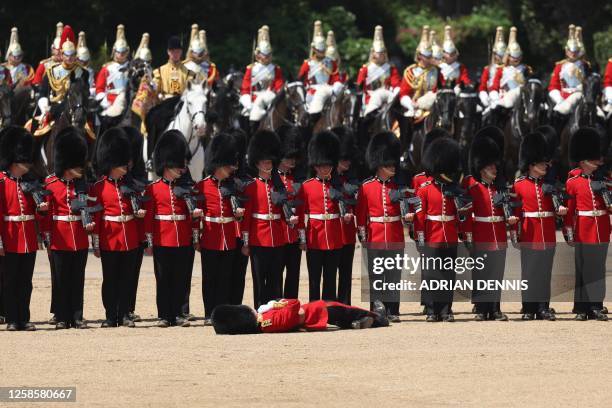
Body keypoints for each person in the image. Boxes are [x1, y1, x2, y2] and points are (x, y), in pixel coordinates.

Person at [143, 130, 201, 327]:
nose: (182, 170)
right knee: (164, 279)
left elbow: (192, 218)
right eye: (178, 166)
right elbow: (149, 218)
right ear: (167, 166)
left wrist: (194, 237)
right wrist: (149, 242)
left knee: (181, 278)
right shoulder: (153, 188)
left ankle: (178, 313)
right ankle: (164, 315)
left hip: (182, 237)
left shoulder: (187, 188)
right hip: (162, 238)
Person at [91, 128, 144, 328]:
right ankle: (110, 315)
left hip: (129, 237)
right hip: (109, 238)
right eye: (121, 164)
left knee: (127, 279)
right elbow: (96, 217)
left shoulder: (131, 185)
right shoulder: (98, 187)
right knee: (110, 279)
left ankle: (124, 314)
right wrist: (96, 244)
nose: (126, 167)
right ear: (111, 164)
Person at [42, 127, 92, 330]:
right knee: (61, 278)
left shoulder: (82, 185)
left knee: (77, 277)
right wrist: (47, 237)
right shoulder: (51, 183)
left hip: (79, 236)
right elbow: (46, 215)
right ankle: (62, 316)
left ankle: (77, 315)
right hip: (60, 236)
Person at [356, 132, 408, 323]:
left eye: (393, 164)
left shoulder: (399, 186)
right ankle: (376, 309)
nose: (393, 167)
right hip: (375, 235)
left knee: (394, 276)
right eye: (389, 165)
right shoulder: (366, 187)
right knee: (376, 275)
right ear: (379, 166)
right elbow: (361, 214)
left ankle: (393, 309)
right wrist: (363, 236)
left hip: (394, 234)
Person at [514, 131, 565, 321]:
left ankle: (543, 307)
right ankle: (528, 307)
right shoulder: (518, 186)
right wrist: (515, 234)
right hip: (529, 233)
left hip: (547, 233)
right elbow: (515, 213)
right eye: (542, 162)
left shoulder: (550, 186)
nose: (546, 165)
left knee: (545, 272)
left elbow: (557, 206)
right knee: (529, 272)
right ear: (531, 165)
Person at [241, 130, 294, 308]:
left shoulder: (279, 186)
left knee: (275, 277)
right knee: (259, 279)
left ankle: (275, 309)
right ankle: (260, 308)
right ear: (257, 163)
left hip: (277, 237)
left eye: (270, 161)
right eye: (264, 161)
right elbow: (247, 217)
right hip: (258, 237)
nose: (268, 164)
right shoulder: (251, 186)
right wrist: (246, 242)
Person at [462, 128, 510, 321]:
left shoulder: (499, 188)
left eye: (495, 166)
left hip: (497, 233)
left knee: (496, 273)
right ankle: (482, 308)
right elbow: (464, 213)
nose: (495, 169)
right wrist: (468, 235)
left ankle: (495, 308)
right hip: (480, 233)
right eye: (491, 167)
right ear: (481, 167)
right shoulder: (472, 185)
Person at [0, 127, 44, 331]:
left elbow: (37, 213)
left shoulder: (30, 183)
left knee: (26, 281)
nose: (27, 167)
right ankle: (11, 318)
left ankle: (24, 318)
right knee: (9, 281)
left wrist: (42, 208)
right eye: (23, 163)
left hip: (27, 237)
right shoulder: (2, 182)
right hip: (9, 237)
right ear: (13, 162)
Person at [195, 132, 242, 324]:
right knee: (210, 279)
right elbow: (196, 216)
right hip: (210, 236)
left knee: (225, 279)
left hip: (228, 237)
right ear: (217, 166)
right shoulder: (202, 186)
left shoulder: (233, 186)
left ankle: (221, 314)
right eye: (226, 166)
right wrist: (196, 238)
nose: (230, 170)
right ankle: (209, 314)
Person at [414, 137, 463, 322]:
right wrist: (420, 237)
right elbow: (420, 217)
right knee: (432, 274)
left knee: (448, 274)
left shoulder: (454, 190)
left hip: (449, 235)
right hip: (432, 235)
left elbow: (460, 216)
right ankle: (433, 309)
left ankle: (446, 309)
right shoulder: (424, 189)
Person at [564, 128, 610, 321]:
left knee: (598, 269)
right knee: (582, 269)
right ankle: (582, 307)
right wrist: (569, 232)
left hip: (601, 229)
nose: (598, 163)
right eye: (594, 159)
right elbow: (569, 210)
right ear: (583, 161)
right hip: (583, 228)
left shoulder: (604, 181)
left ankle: (596, 305)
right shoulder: (573, 182)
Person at [296, 131, 344, 302]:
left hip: (334, 236)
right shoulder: (307, 186)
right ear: (315, 166)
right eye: (321, 165)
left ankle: (330, 309)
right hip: (314, 237)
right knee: (314, 279)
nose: (325, 168)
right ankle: (315, 309)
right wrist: (302, 239)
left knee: (331, 278)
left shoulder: (339, 186)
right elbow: (301, 216)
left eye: (328, 165)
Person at [211, 299, 389, 334]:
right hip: (316, 313)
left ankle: (354, 324)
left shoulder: (261, 322)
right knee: (344, 309)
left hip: (313, 316)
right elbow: (293, 307)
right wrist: (278, 303)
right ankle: (379, 318)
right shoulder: (266, 321)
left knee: (344, 316)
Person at [34, 25, 88, 137]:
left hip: (77, 109)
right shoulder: (51, 71)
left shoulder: (82, 72)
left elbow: (85, 92)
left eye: (73, 54)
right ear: (62, 54)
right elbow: (43, 93)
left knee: (92, 129)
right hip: (54, 109)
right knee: (34, 128)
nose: (70, 58)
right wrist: (44, 107)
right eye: (67, 55)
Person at [276, 126, 305, 299]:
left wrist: (301, 237)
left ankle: (291, 307)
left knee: (293, 275)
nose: (293, 161)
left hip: (293, 236)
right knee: (276, 275)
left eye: (295, 158)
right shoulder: (272, 180)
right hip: (278, 235)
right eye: (289, 157)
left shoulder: (297, 181)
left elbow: (300, 212)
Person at [239, 26, 284, 130]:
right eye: (265, 55)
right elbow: (245, 87)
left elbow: (279, 85)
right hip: (254, 99)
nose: (267, 57)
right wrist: (247, 101)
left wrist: (277, 95)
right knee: (246, 114)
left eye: (269, 55)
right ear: (258, 55)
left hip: (270, 97)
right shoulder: (251, 68)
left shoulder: (275, 69)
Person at [297, 21, 342, 123]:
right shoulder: (307, 64)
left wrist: (336, 86)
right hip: (313, 92)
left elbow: (336, 78)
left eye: (323, 50)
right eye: (319, 50)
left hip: (329, 89)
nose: (322, 53)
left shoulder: (331, 62)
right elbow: (300, 79)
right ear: (313, 49)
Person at [333, 127, 359, 305]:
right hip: (332, 233)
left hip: (348, 232)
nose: (348, 162)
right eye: (344, 159)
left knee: (345, 273)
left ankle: (344, 303)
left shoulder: (351, 180)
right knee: (329, 274)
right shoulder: (327, 182)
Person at [356, 25, 401, 117]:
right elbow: (360, 86)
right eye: (378, 53)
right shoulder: (365, 69)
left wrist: (396, 93)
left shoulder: (391, 68)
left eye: (382, 53)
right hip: (371, 98)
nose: (380, 55)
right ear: (373, 54)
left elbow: (396, 84)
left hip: (388, 98)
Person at [548, 25, 590, 121]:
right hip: (563, 98)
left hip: (581, 96)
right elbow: (553, 86)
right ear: (566, 51)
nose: (573, 53)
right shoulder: (560, 65)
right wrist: (559, 99)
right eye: (571, 51)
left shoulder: (585, 65)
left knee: (601, 116)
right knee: (553, 114)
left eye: (575, 51)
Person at [399, 26, 441, 119]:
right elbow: (403, 94)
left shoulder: (435, 71)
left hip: (432, 106)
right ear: (419, 56)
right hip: (413, 106)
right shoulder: (410, 72)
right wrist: (411, 104)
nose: (430, 58)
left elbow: (438, 90)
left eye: (431, 56)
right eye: (427, 56)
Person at [489, 27, 532, 110]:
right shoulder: (501, 70)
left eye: (518, 56)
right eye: (513, 57)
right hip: (506, 97)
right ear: (508, 57)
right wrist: (495, 97)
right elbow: (495, 86)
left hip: (523, 98)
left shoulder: (526, 68)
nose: (516, 59)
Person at [96, 25, 131, 115]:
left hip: (130, 101)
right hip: (111, 101)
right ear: (114, 52)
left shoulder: (132, 67)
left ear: (127, 52)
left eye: (124, 52)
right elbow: (99, 89)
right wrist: (105, 102)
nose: (121, 55)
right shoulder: (106, 68)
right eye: (119, 52)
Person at [153, 36, 194, 100]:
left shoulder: (189, 73)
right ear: (168, 52)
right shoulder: (159, 71)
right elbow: (154, 90)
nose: (175, 54)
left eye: (177, 51)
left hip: (182, 104)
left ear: (181, 52)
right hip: (165, 104)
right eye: (172, 51)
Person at [479, 27, 506, 110]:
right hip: (491, 93)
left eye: (503, 55)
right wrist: (484, 94)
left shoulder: (508, 68)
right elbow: (483, 85)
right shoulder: (488, 69)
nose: (500, 58)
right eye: (498, 55)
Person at [438, 25, 472, 92]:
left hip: (456, 89)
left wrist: (468, 83)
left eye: (452, 54)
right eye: (448, 54)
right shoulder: (438, 67)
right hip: (442, 88)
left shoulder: (460, 66)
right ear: (443, 54)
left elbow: (464, 78)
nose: (450, 56)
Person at [32, 22, 64, 87]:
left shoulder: (71, 65)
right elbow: (37, 82)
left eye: (61, 50)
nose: (58, 52)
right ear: (52, 50)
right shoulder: (44, 65)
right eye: (56, 50)